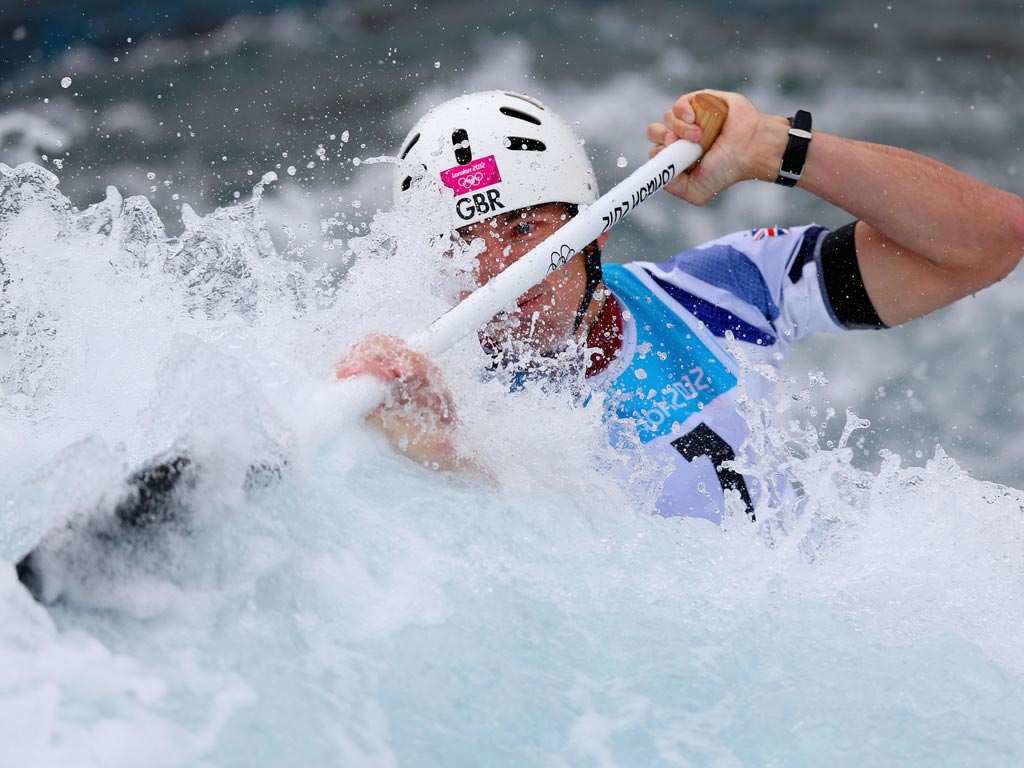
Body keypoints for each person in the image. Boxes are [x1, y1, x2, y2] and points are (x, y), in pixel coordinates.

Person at [337, 89, 1024, 523]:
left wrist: (776, 150)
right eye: (466, 247)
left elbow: (989, 242)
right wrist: (439, 457)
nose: (500, 273)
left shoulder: (723, 293)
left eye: (524, 229)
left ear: (595, 227)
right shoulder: (447, 401)